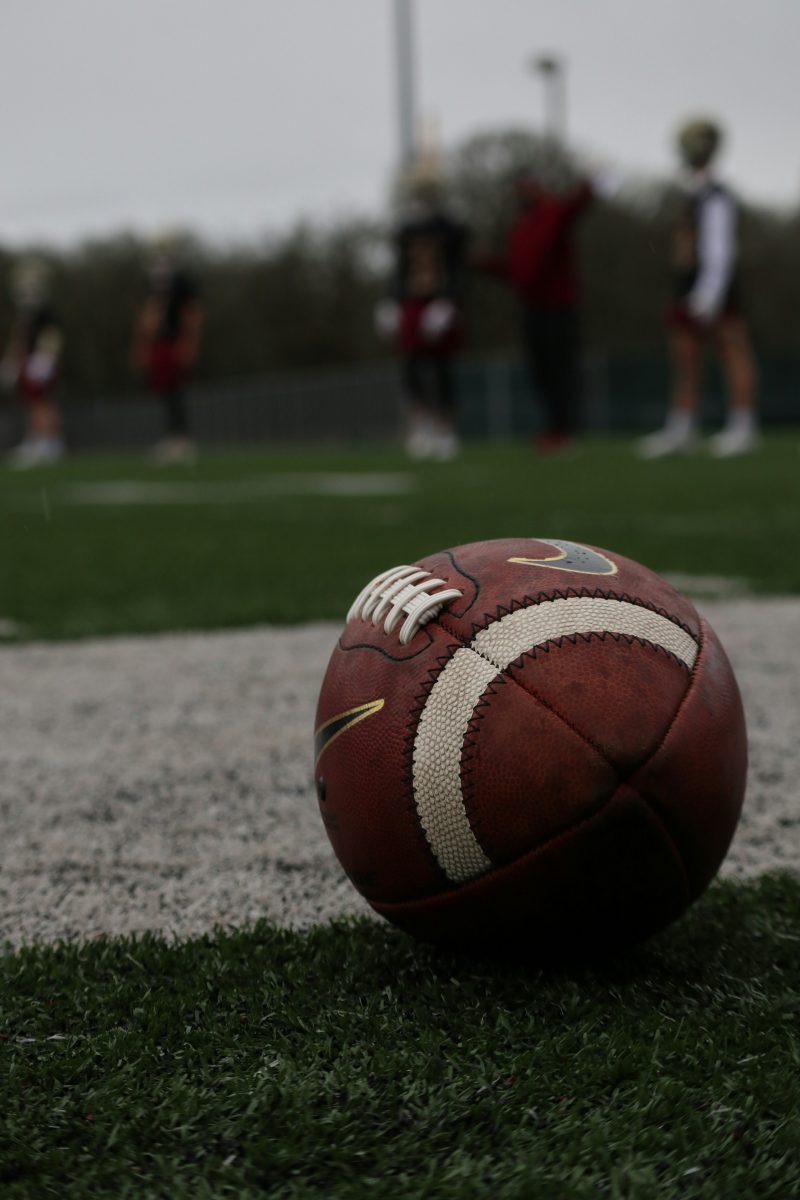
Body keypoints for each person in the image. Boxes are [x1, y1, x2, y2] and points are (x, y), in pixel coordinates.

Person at [639, 118, 757, 459]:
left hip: (711, 286)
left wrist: (709, 293)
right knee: (685, 358)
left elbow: (719, 250)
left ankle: (742, 426)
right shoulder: (692, 192)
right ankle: (682, 427)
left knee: (732, 352)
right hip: (687, 284)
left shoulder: (715, 195)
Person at [477, 170, 603, 452]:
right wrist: (484, 265)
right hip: (531, 311)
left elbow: (577, 205)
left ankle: (566, 430)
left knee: (561, 370)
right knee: (541, 373)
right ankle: (553, 427)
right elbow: (517, 270)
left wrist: (592, 183)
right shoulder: (520, 226)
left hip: (559, 310)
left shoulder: (553, 213)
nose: (523, 194)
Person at [376, 148, 469, 461]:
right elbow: (399, 270)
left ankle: (445, 428)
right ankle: (420, 426)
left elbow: (458, 269)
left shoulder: (452, 229)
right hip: (412, 304)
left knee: (442, 369)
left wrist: (448, 301)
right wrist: (390, 301)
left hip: (439, 304)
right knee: (411, 368)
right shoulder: (405, 230)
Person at [133, 235, 203, 463]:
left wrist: (188, 342)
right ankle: (173, 436)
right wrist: (143, 345)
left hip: (174, 343)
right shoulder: (155, 287)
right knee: (165, 392)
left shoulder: (181, 283)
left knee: (176, 391)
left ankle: (181, 439)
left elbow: (192, 314)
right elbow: (148, 318)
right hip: (159, 344)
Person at [1, 257, 65, 467]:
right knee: (31, 403)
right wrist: (11, 361)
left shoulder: (46, 312)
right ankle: (35, 440)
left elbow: (52, 335)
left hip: (40, 363)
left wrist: (46, 358)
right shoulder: (25, 315)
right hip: (28, 362)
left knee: (42, 402)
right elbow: (19, 337)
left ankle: (49, 441)